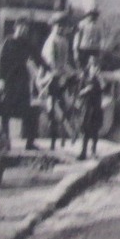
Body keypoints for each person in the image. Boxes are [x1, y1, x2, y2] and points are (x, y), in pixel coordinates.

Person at [0, 20, 47, 149]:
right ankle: (5, 142)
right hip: (9, 81)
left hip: (22, 82)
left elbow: (38, 58)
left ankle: (30, 143)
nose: (23, 30)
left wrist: (48, 68)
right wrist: (1, 80)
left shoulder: (26, 43)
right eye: (21, 27)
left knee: (29, 112)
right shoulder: (8, 42)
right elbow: (2, 62)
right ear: (16, 28)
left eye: (26, 28)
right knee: (5, 112)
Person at [42, 12, 78, 149]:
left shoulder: (64, 40)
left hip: (62, 76)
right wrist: (60, 74)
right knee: (53, 110)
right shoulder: (51, 41)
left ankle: (65, 138)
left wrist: (72, 72)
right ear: (53, 26)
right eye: (59, 26)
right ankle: (53, 142)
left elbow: (65, 61)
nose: (61, 29)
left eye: (63, 26)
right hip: (51, 78)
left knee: (66, 106)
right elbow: (50, 63)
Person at [77, 55, 107, 160]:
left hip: (96, 106)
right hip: (86, 106)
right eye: (92, 63)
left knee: (95, 130)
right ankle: (83, 153)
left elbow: (104, 88)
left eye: (96, 64)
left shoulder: (99, 76)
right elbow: (79, 92)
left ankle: (93, 151)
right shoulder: (84, 76)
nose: (94, 66)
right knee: (85, 130)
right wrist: (86, 89)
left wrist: (99, 77)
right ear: (89, 64)